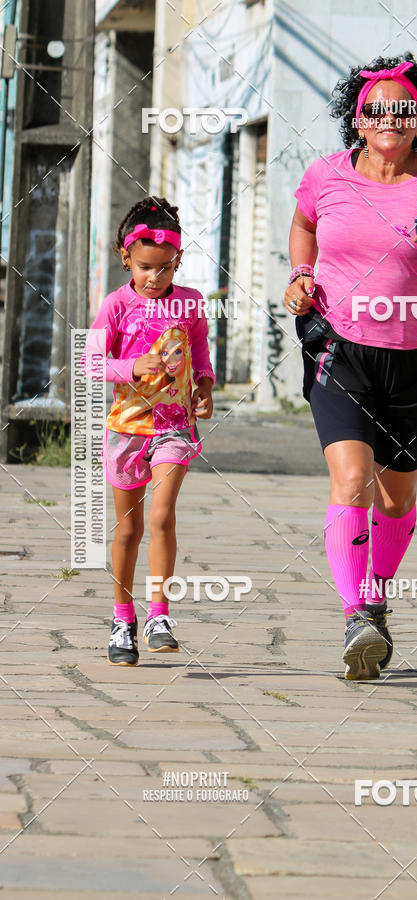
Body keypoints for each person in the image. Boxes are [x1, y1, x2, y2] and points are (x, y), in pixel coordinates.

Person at [285, 53, 417, 680]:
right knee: (350, 479)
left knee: (396, 499)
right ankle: (356, 617)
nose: (390, 120)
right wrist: (299, 275)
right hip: (340, 348)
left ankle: (375, 592)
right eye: (377, 110)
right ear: (358, 117)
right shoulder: (326, 175)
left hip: (416, 357)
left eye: (403, 110)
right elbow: (303, 225)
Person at [84, 197, 215, 666]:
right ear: (126, 258)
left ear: (178, 260)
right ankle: (123, 619)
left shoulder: (192, 303)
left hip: (173, 427)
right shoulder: (116, 305)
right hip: (127, 431)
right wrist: (130, 366)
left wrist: (204, 385)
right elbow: (89, 363)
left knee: (161, 516)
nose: (154, 279)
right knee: (128, 530)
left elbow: (199, 349)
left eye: (164, 268)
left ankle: (159, 614)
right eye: (144, 268)